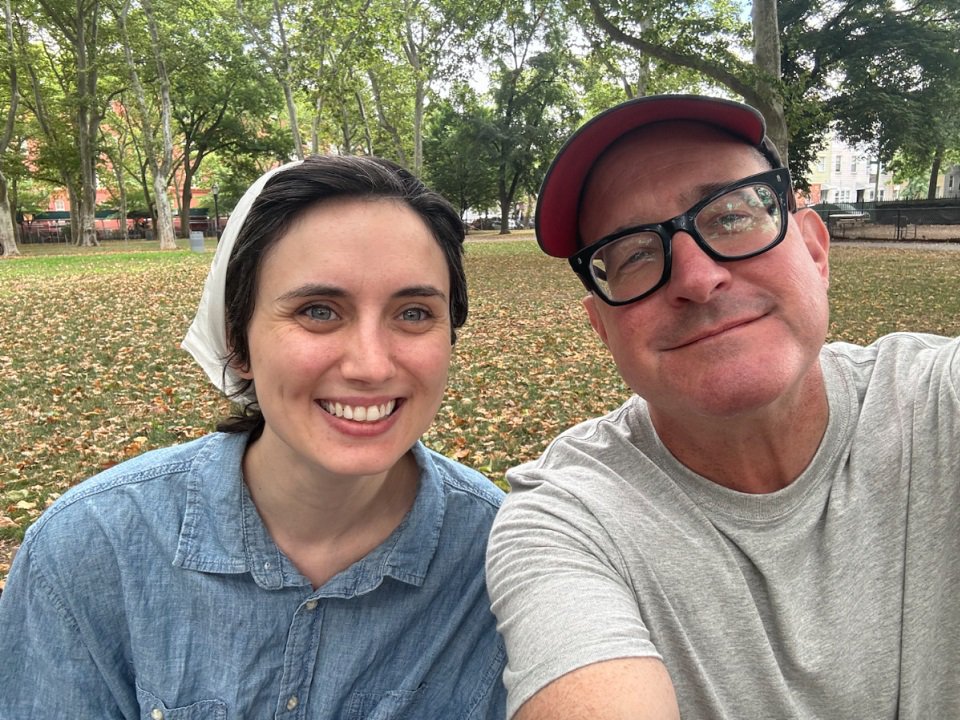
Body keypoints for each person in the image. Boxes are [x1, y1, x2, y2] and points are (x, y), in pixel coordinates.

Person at [485, 94, 960, 719]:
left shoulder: (938, 402)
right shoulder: (568, 521)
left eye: (731, 217)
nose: (696, 277)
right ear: (603, 328)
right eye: (634, 253)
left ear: (815, 252)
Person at [0, 155, 507, 718]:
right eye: (319, 311)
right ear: (237, 341)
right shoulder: (91, 553)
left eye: (413, 313)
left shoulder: (505, 565)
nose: (371, 365)